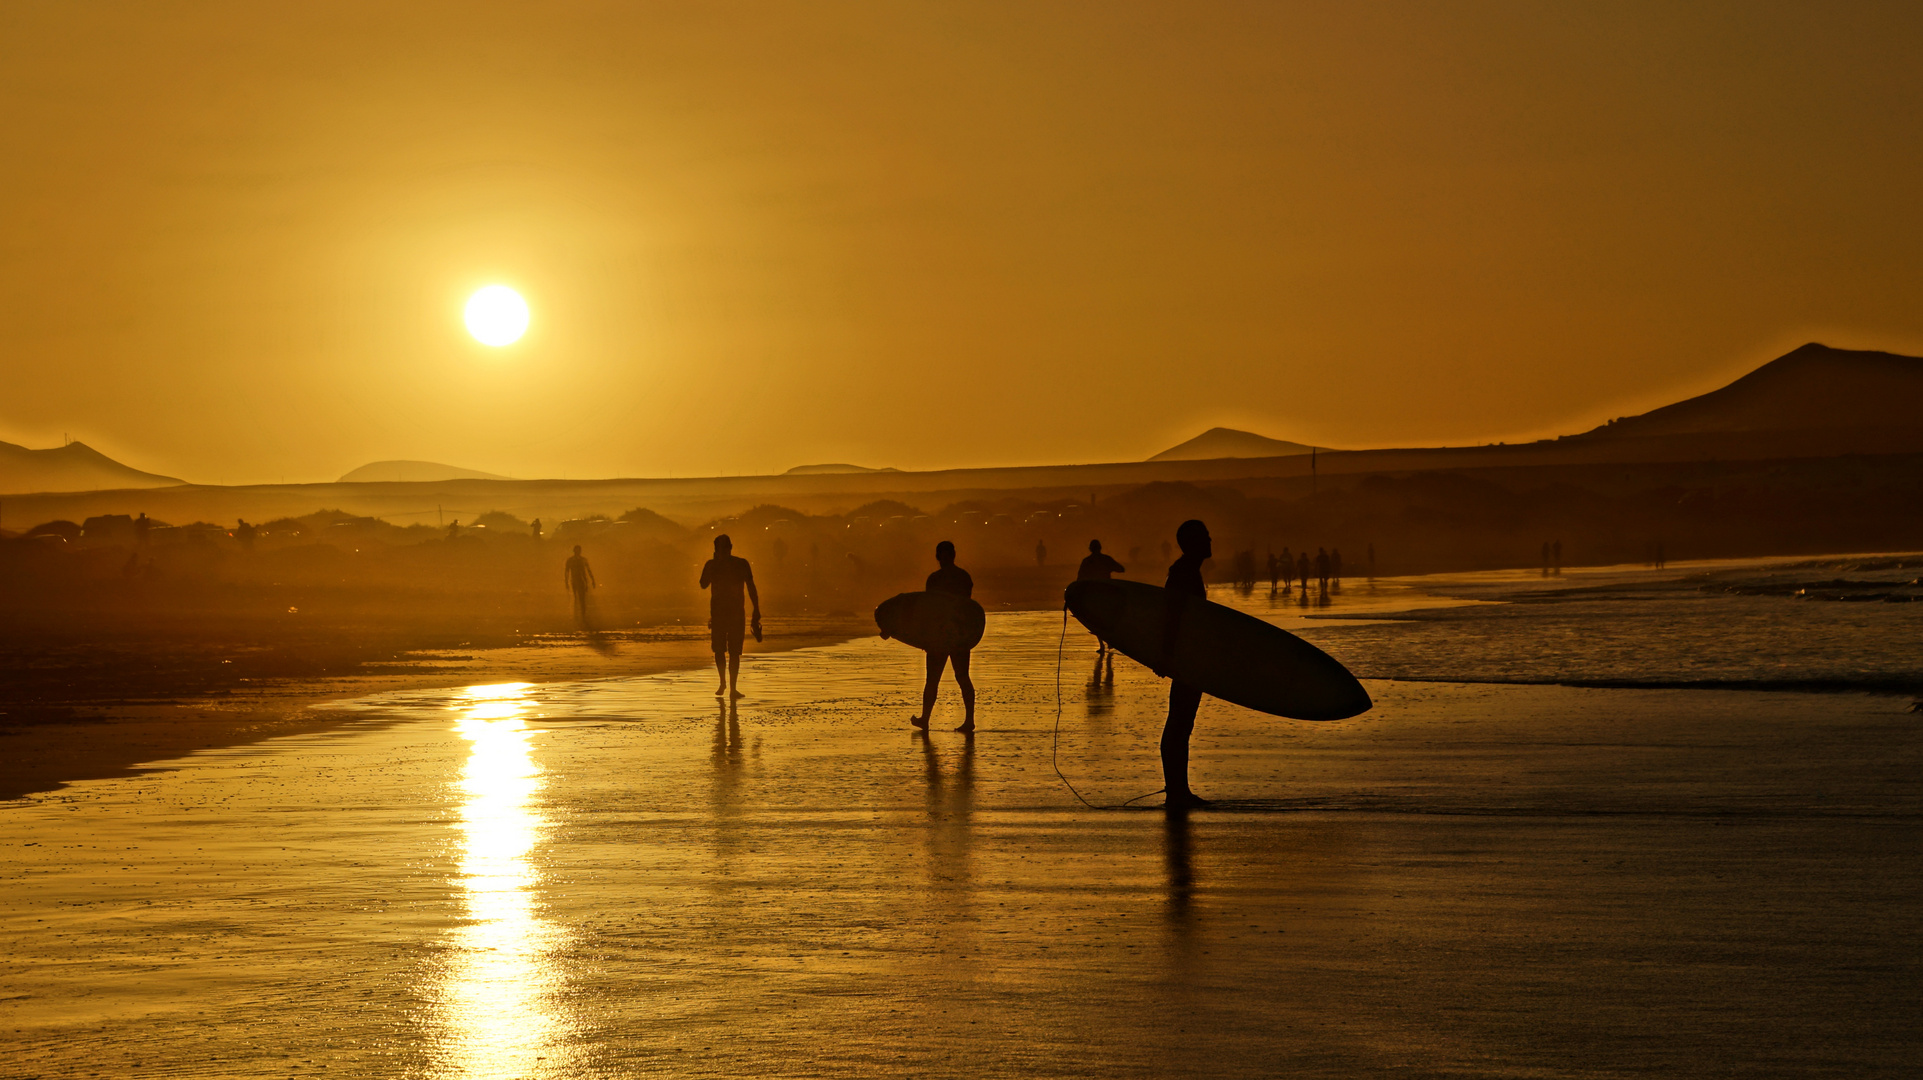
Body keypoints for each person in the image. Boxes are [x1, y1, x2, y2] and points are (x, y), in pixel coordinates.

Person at [1158, 519, 1212, 809]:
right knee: (1179, 722)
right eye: (1205, 537)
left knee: (1182, 722)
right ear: (1192, 543)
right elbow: (1172, 615)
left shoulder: (1189, 570)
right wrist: (1166, 655)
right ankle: (1176, 791)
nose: (1210, 540)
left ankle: (1179, 790)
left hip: (1191, 656)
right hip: (1185, 657)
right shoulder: (1183, 572)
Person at [912, 540, 976, 732]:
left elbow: (929, 610)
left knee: (936, 679)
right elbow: (966, 607)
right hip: (958, 634)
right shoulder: (963, 577)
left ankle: (926, 719)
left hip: (940, 636)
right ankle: (968, 720)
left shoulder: (935, 579)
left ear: (938, 556)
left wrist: (923, 637)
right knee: (960, 677)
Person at [699, 534, 761, 699]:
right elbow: (751, 587)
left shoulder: (715, 564)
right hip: (730, 614)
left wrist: (756, 609)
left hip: (724, 614)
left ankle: (726, 685)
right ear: (730, 547)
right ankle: (729, 686)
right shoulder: (739, 564)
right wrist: (756, 609)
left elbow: (703, 584)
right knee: (730, 651)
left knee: (724, 650)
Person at [1076, 540, 1125, 653]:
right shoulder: (1106, 559)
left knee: (1095, 620)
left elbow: (1079, 578)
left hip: (1093, 595)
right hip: (1107, 593)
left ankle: (1102, 645)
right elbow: (1121, 569)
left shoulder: (1087, 561)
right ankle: (1109, 641)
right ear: (1100, 548)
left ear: (1090, 549)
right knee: (1108, 618)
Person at [563, 544, 596, 624]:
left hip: (581, 581)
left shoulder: (582, 560)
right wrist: (566, 582)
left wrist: (592, 580)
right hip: (575, 581)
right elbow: (566, 572)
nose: (578, 552)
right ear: (574, 551)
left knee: (582, 599)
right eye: (577, 550)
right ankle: (577, 615)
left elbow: (588, 570)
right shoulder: (572, 560)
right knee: (576, 598)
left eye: (579, 550)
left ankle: (582, 615)